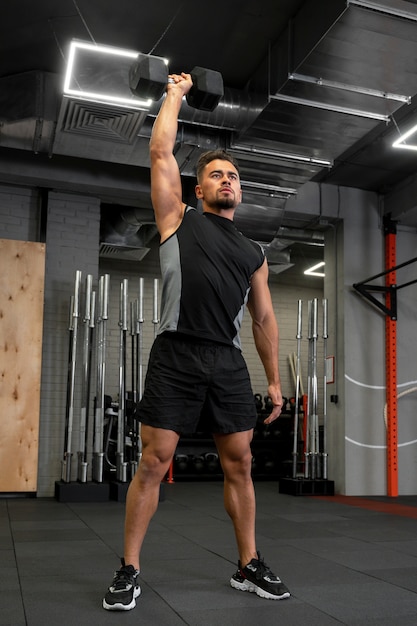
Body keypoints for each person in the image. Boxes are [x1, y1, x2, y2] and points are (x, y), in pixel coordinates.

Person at [103, 71, 290, 611]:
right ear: (199, 188)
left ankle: (248, 564)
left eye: (233, 175)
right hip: (176, 352)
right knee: (154, 463)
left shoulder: (253, 252)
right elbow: (161, 150)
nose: (227, 180)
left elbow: (263, 319)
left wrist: (274, 380)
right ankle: (129, 568)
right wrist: (175, 95)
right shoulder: (177, 219)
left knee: (241, 464)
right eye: (216, 174)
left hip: (227, 362)